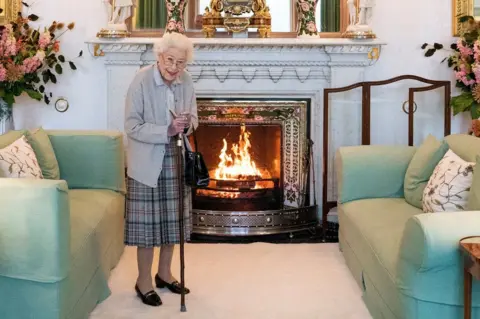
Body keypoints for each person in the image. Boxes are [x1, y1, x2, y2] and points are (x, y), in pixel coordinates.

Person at [124, 32, 197, 307]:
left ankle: (164, 274)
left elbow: (195, 120)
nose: (174, 68)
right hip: (147, 161)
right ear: (159, 56)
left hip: (176, 157)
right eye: (170, 60)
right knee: (148, 228)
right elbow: (131, 126)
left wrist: (187, 124)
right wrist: (166, 129)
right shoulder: (141, 80)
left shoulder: (186, 81)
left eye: (180, 62)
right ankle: (143, 281)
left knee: (172, 222)